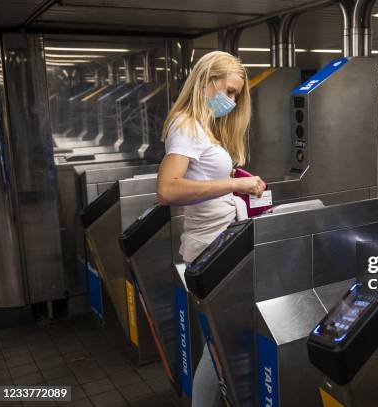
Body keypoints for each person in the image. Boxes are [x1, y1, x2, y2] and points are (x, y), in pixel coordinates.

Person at [157, 51, 266, 407]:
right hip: (210, 251)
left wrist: (230, 177)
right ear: (206, 81)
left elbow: (199, 176)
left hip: (219, 244)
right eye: (230, 92)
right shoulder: (186, 125)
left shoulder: (202, 127)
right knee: (218, 345)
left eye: (236, 96)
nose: (232, 102)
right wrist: (233, 187)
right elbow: (168, 189)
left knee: (218, 342)